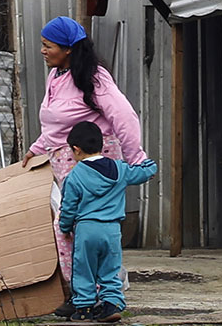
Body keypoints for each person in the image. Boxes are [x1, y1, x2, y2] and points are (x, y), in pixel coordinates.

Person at [21, 16, 147, 315]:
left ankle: (104, 299)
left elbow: (124, 117)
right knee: (77, 229)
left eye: (47, 45)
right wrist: (36, 149)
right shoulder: (57, 75)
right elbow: (55, 124)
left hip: (93, 162)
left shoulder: (94, 77)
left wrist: (136, 158)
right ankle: (85, 296)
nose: (42, 50)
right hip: (66, 160)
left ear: (67, 49)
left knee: (81, 227)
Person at [59, 122, 159, 322]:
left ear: (76, 149)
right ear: (101, 144)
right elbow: (145, 172)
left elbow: (68, 207)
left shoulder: (75, 176)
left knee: (83, 270)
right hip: (112, 230)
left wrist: (65, 226)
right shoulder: (119, 169)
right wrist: (148, 163)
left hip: (86, 230)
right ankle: (111, 305)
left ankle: (84, 309)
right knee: (110, 269)